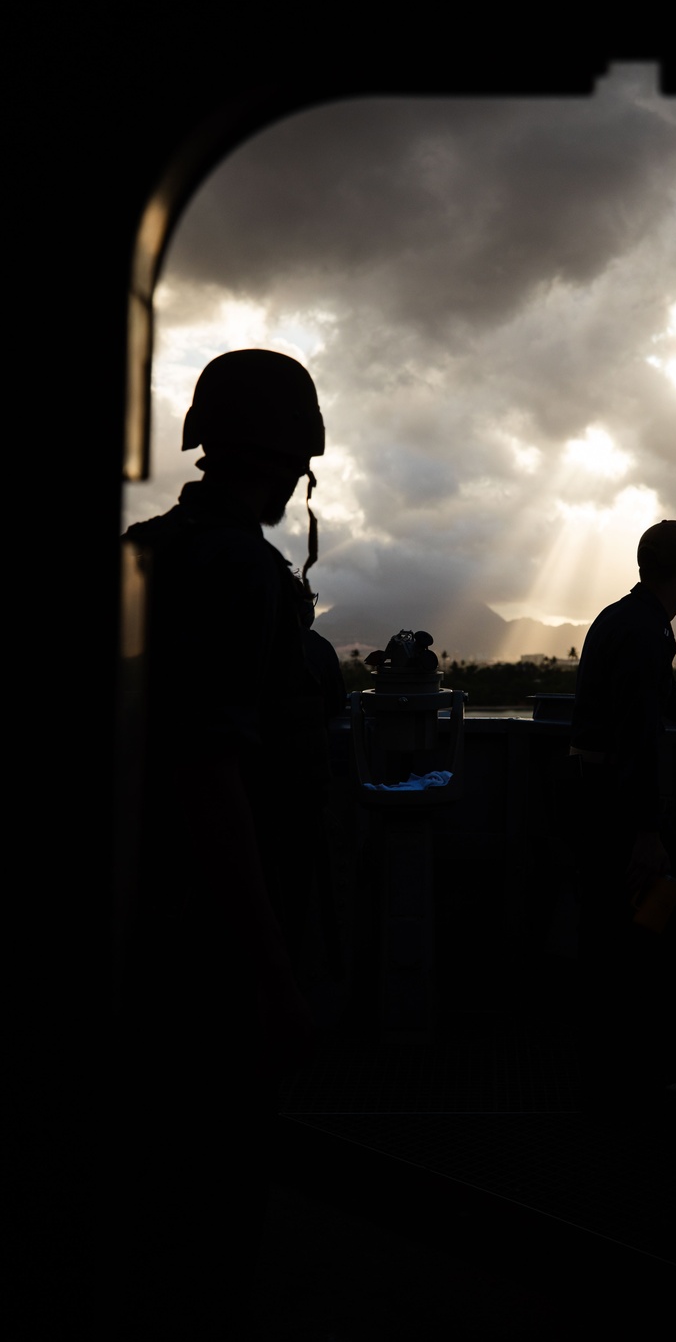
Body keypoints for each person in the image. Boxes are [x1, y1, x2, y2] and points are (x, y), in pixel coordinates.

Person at [117, 348, 331, 1339]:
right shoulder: (243, 570)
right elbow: (213, 777)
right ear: (291, 460)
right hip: (214, 932)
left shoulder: (147, 549)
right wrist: (274, 971)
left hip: (149, 908)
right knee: (215, 1183)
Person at [566, 520, 676, 1113]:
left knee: (617, 933)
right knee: (627, 936)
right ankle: (618, 1082)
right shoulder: (643, 632)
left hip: (602, 794)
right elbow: (637, 735)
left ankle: (611, 1071)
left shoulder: (633, 621)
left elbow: (662, 696)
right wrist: (648, 831)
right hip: (615, 805)